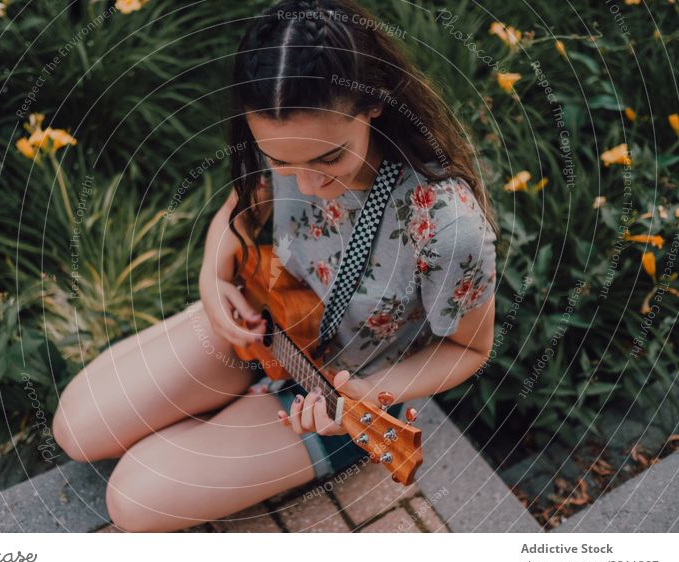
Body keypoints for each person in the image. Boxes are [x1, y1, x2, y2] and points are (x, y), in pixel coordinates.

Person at [52, 0, 498, 533]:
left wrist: (371, 393)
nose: (305, 183)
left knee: (132, 500)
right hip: (271, 323)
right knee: (76, 431)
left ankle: (269, 424)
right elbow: (240, 213)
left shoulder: (447, 224)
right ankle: (227, 400)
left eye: (329, 158)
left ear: (373, 103)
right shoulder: (285, 134)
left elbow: (470, 348)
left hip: (345, 392)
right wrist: (214, 283)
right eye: (284, 161)